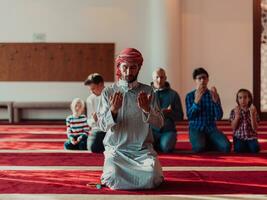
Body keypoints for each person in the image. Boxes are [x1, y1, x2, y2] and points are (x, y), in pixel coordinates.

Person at [97, 48, 164, 190]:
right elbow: (102, 126)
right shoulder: (108, 92)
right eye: (125, 67)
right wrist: (113, 110)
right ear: (119, 68)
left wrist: (147, 109)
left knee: (153, 176)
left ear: (139, 67)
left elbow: (160, 123)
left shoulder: (148, 92)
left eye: (133, 67)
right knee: (113, 176)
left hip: (142, 151)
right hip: (117, 151)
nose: (128, 72)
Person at [185, 67, 231, 153]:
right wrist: (196, 103)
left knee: (226, 147)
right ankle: (205, 141)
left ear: (208, 79)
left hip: (211, 128)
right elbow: (190, 117)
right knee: (199, 148)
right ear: (195, 80)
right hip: (196, 128)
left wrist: (216, 102)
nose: (202, 80)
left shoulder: (213, 95)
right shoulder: (190, 96)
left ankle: (207, 140)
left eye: (204, 78)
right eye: (199, 78)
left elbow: (219, 116)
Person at [151, 68, 184, 152]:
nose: (159, 80)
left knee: (166, 148)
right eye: (157, 77)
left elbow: (180, 117)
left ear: (165, 78)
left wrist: (170, 113)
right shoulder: (146, 93)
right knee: (144, 148)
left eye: (162, 77)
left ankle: (160, 144)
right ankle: (156, 144)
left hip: (167, 130)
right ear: (153, 78)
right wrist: (160, 113)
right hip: (151, 131)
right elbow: (140, 115)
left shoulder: (173, 94)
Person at [229, 88, 260, 153]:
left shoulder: (253, 110)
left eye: (245, 97)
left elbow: (255, 128)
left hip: (251, 137)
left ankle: (248, 145)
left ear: (249, 99)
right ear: (237, 99)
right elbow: (233, 127)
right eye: (240, 98)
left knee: (255, 149)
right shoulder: (234, 111)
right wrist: (237, 116)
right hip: (239, 137)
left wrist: (252, 115)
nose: (243, 100)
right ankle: (244, 146)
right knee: (239, 150)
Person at [84, 73, 106, 153]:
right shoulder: (90, 99)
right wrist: (94, 120)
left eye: (93, 88)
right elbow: (89, 121)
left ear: (101, 84)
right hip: (97, 130)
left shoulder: (110, 95)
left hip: (110, 130)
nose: (91, 91)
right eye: (90, 89)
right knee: (92, 147)